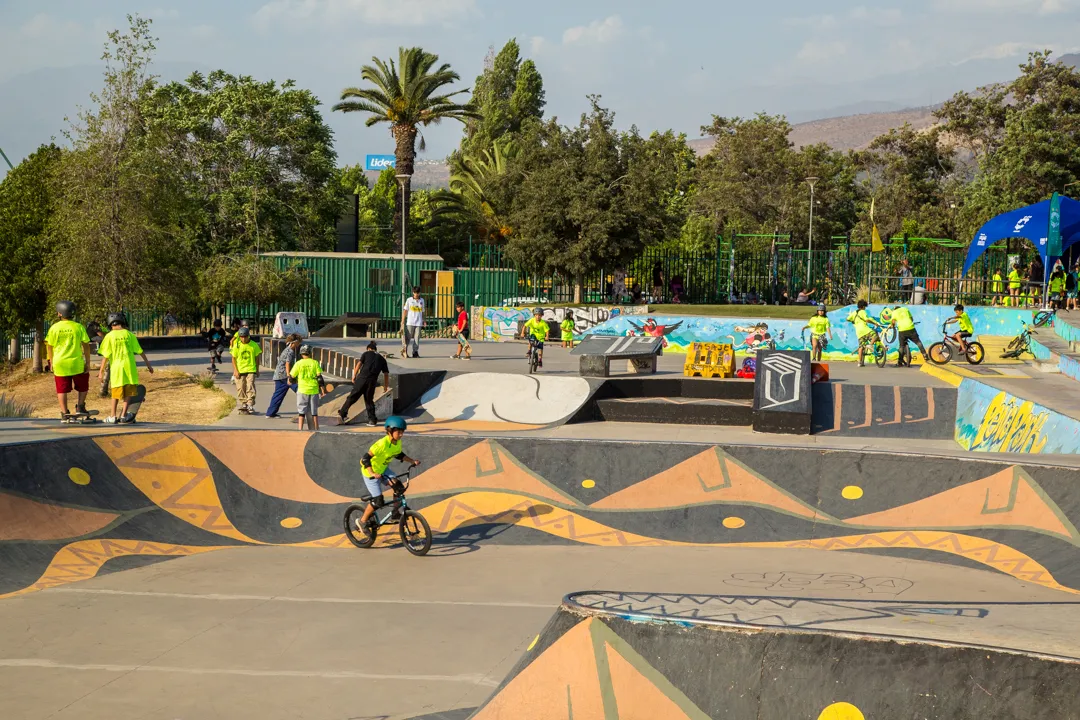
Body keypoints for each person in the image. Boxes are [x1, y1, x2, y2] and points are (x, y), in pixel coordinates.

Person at [356, 416, 421, 532]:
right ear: (390, 431)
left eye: (402, 432)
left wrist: (412, 461)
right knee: (378, 501)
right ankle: (362, 521)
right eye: (398, 432)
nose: (401, 435)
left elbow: (398, 454)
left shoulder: (397, 443)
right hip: (370, 472)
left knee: (398, 487)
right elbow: (365, 459)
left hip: (383, 470)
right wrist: (373, 473)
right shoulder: (381, 444)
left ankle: (395, 514)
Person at [97, 312, 154, 423]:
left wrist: (101, 371)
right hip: (129, 367)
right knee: (128, 393)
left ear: (110, 324)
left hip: (117, 369)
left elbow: (106, 356)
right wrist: (148, 365)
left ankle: (113, 416)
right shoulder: (129, 334)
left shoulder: (109, 336)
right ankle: (123, 416)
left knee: (115, 393)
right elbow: (140, 351)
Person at [45, 301, 92, 419]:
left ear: (59, 314)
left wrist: (50, 362)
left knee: (61, 389)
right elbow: (86, 345)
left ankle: (65, 412)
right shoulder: (78, 327)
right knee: (83, 386)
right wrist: (88, 362)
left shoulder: (54, 328)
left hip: (60, 363)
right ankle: (80, 406)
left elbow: (49, 346)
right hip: (76, 362)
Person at [339, 341, 390, 427]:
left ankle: (342, 413)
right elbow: (386, 374)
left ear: (369, 349)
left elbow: (359, 364)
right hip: (372, 382)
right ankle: (372, 420)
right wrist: (385, 386)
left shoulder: (366, 354)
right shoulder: (382, 359)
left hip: (362, 379)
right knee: (369, 400)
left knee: (352, 396)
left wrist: (354, 375)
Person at [289, 345, 325, 431]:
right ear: (310, 353)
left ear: (301, 353)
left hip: (302, 389)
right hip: (314, 389)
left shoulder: (298, 363)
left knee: (301, 411)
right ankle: (316, 429)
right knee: (314, 412)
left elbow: (292, 377)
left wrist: (291, 381)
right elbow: (320, 378)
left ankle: (300, 429)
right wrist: (323, 391)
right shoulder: (314, 363)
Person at [266, 334, 301, 419]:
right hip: (284, 376)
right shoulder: (290, 351)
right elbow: (287, 363)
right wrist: (289, 376)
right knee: (300, 390)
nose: (299, 344)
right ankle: (306, 410)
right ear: (295, 342)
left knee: (278, 395)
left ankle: (270, 413)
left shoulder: (287, 349)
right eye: (299, 342)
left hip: (279, 376)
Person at [231, 327, 261, 414]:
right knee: (240, 387)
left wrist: (257, 369)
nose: (243, 339)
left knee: (250, 385)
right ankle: (244, 403)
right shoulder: (237, 345)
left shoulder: (254, 345)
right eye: (241, 337)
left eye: (245, 337)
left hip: (251, 368)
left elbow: (257, 358)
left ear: (248, 336)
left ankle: (250, 403)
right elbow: (233, 359)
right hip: (240, 369)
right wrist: (235, 370)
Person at [847, 300, 884, 368]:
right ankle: (870, 345)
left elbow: (847, 319)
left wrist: (853, 321)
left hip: (859, 333)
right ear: (863, 306)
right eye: (865, 307)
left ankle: (860, 362)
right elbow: (867, 319)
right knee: (875, 336)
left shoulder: (854, 313)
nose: (865, 308)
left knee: (861, 347)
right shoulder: (863, 312)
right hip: (865, 330)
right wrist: (875, 323)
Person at [402, 286, 425, 359]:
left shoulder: (422, 300)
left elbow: (423, 311)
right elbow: (405, 310)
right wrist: (402, 320)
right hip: (410, 322)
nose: (416, 294)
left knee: (417, 337)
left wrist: (424, 320)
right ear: (413, 292)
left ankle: (415, 352)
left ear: (419, 293)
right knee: (408, 337)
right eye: (415, 293)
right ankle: (404, 351)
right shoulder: (409, 300)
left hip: (418, 322)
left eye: (417, 293)